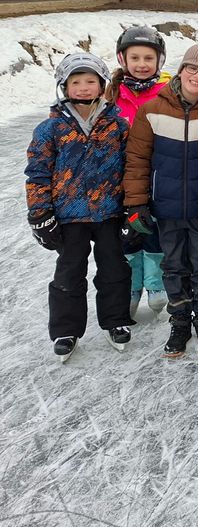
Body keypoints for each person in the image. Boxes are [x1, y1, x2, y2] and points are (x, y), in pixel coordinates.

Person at [25, 52, 133, 360]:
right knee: (69, 272)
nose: (84, 88)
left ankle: (116, 321)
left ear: (101, 86)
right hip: (69, 215)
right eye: (76, 82)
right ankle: (66, 329)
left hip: (110, 212)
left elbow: (131, 167)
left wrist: (132, 208)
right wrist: (40, 212)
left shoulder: (117, 125)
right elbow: (38, 172)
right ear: (64, 86)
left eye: (90, 81)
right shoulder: (51, 128)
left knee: (114, 269)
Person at [124, 44, 198, 358]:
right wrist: (136, 203)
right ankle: (179, 320)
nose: (197, 76)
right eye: (192, 68)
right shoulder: (151, 109)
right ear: (181, 70)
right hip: (163, 207)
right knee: (173, 266)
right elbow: (137, 159)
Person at [107, 25, 170, 318]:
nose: (142, 64)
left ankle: (156, 284)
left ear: (159, 61)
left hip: (157, 175)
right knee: (127, 234)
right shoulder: (110, 97)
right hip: (119, 178)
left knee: (153, 230)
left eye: (148, 58)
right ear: (123, 59)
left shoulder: (168, 92)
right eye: (135, 58)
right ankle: (132, 286)